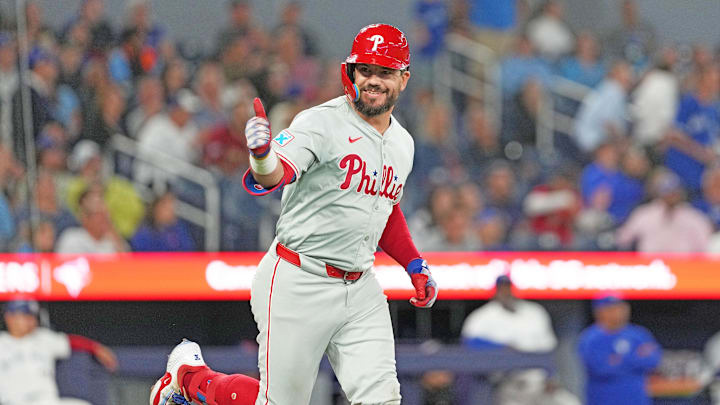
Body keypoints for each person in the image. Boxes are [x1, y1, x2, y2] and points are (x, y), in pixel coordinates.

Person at [150, 23, 438, 405]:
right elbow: (273, 174)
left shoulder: (403, 142)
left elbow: (383, 207)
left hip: (360, 285)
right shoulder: (320, 122)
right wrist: (261, 154)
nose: (373, 80)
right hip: (300, 276)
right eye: (365, 70)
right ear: (349, 72)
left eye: (385, 72)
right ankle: (190, 377)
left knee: (383, 400)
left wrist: (414, 263)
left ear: (403, 79)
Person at [0, 298, 118, 405]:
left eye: (32, 316)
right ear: (9, 317)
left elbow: (71, 342)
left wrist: (96, 348)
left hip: (46, 401)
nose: (31, 320)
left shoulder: (43, 338)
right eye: (25, 316)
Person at [578, 295, 662, 405]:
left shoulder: (639, 334)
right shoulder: (590, 338)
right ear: (599, 312)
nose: (619, 311)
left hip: (637, 399)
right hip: (603, 399)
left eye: (621, 307)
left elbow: (653, 361)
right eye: (612, 308)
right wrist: (635, 358)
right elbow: (601, 368)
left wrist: (619, 359)